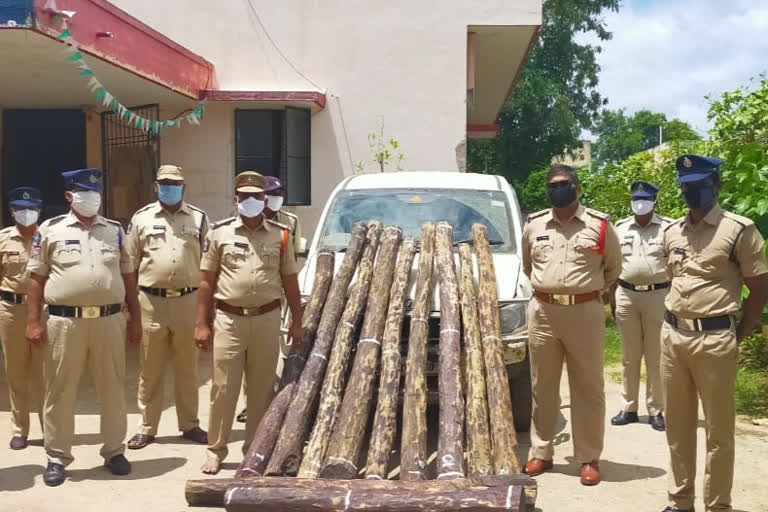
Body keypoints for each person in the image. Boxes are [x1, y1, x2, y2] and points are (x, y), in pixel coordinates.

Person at [660, 155, 768, 512]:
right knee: (677, 427)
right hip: (673, 336)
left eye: (701, 185)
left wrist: (740, 332)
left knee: (718, 432)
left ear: (716, 185)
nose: (693, 192)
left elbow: (759, 288)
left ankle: (718, 505)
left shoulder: (739, 230)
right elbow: (674, 278)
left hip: (716, 339)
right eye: (687, 186)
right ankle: (680, 502)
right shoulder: (672, 231)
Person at [25, 168, 142, 487]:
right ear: (69, 196)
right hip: (64, 322)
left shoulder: (116, 231)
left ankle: (115, 451)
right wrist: (34, 321)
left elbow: (129, 277)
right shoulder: (49, 230)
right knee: (60, 390)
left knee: (113, 387)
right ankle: (57, 457)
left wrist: (136, 319)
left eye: (95, 192)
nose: (92, 197)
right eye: (84, 191)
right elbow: (36, 279)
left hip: (109, 321)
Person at [195, 171, 303, 475]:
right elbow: (205, 283)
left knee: (261, 389)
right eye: (245, 196)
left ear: (264, 199)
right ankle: (216, 449)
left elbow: (290, 280)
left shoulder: (281, 234)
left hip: (267, 318)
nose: (251, 201)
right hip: (229, 319)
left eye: (257, 196)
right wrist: (201, 324)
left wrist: (297, 320)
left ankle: (253, 450)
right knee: (223, 387)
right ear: (235, 199)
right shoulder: (219, 233)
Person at [521, 163, 621, 486]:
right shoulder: (534, 225)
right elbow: (528, 266)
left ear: (576, 188)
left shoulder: (600, 225)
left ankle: (589, 457)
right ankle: (542, 452)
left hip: (584, 312)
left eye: (563, 184)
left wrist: (586, 291)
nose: (557, 190)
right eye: (552, 186)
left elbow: (613, 268)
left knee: (589, 387)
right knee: (542, 385)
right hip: (544, 313)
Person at [125, 164, 209, 450]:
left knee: (188, 368)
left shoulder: (198, 218)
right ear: (155, 186)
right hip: (151, 301)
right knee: (151, 367)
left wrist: (205, 314)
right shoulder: (141, 218)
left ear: (183, 187)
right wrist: (131, 308)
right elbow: (129, 263)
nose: (169, 187)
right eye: (164, 183)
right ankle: (147, 426)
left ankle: (190, 424)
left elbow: (208, 265)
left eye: (174, 183)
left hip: (188, 300)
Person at [236, 175, 302, 424]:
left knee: (278, 349)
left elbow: (295, 259)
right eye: (270, 193)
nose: (275, 198)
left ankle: (272, 397)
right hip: (258, 295)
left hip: (283, 294)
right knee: (250, 353)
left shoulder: (290, 223)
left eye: (279, 193)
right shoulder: (244, 222)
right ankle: (249, 402)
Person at [610, 181, 671, 432]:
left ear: (654, 201)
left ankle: (656, 410)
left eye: (645, 198)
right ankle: (629, 408)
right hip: (626, 294)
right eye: (636, 198)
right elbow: (613, 264)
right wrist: (612, 299)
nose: (640, 202)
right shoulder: (620, 228)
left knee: (656, 356)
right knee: (629, 357)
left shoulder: (668, 228)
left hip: (658, 295)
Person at [0, 187, 45, 450]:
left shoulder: (49, 237)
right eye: (20, 208)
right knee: (16, 372)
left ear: (39, 211)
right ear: (12, 211)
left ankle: (49, 428)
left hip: (42, 310)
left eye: (30, 208)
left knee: (45, 374)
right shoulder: (3, 239)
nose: (25, 213)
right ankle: (20, 429)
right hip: (11, 310)